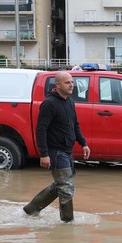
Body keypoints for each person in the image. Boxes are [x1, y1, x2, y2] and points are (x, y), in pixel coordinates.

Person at [23, 71, 91, 222]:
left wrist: (83, 143)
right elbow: (41, 130)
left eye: (72, 82)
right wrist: (44, 154)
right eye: (67, 82)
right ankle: (67, 222)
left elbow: (75, 125)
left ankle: (31, 208)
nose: (71, 85)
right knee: (66, 187)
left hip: (67, 150)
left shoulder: (69, 101)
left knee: (61, 184)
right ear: (58, 84)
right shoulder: (49, 104)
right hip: (55, 152)